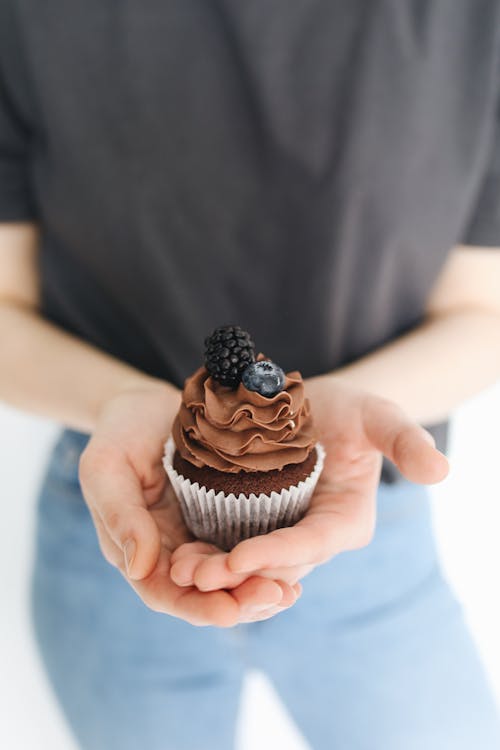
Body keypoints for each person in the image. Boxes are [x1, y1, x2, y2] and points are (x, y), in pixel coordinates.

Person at [1, 1, 500, 748]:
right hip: (114, 516)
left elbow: (480, 309)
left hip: (372, 524)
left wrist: (368, 408)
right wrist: (119, 399)